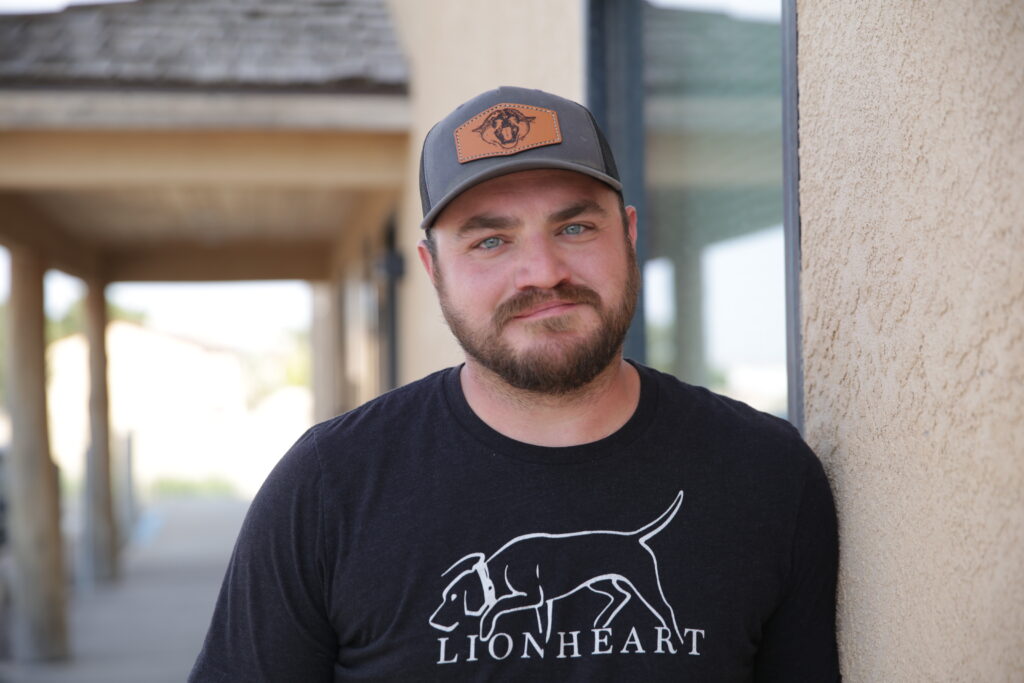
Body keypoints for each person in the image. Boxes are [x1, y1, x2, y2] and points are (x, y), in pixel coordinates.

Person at [189, 86, 839, 682]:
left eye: (575, 227)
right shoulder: (329, 486)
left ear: (630, 236)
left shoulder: (768, 475)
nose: (542, 272)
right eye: (491, 241)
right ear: (434, 270)